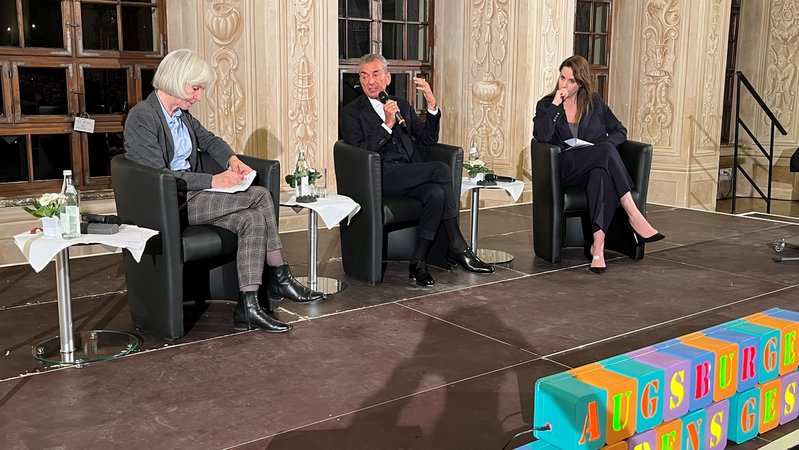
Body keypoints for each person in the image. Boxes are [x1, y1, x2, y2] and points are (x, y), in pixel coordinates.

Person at [123, 48, 325, 333]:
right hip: (171, 204)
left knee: (253, 219)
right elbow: (159, 176)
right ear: (175, 80)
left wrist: (233, 160)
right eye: (195, 88)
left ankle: (249, 306)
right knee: (261, 195)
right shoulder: (143, 117)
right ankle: (281, 276)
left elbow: (211, 140)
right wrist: (212, 181)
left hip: (195, 197)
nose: (199, 96)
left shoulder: (182, 116)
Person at [340, 53, 494, 286]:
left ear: (387, 78)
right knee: (441, 170)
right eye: (363, 76)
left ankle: (418, 261)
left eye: (375, 74)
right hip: (378, 176)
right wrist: (387, 124)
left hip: (406, 173)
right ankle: (458, 245)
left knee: (436, 194)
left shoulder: (400, 105)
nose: (369, 82)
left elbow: (427, 139)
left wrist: (432, 106)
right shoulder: (352, 112)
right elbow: (362, 152)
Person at [532, 55, 664, 274]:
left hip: (591, 165)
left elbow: (620, 131)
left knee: (600, 174)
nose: (564, 84)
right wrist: (556, 105)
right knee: (604, 152)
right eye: (562, 78)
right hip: (564, 167)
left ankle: (598, 247)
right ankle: (634, 214)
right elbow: (542, 136)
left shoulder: (594, 102)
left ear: (582, 82)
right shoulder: (547, 104)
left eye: (571, 81)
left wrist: (601, 148)